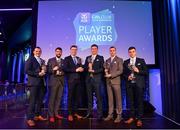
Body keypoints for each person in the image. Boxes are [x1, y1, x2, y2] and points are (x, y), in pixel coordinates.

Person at [123, 46, 148, 127]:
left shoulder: (141, 60)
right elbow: (123, 73)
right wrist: (127, 77)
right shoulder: (126, 62)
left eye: (133, 51)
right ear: (128, 53)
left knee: (139, 101)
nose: (131, 53)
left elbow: (146, 72)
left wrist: (138, 71)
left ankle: (139, 119)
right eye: (130, 52)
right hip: (130, 84)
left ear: (135, 52)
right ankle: (131, 117)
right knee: (131, 102)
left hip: (139, 84)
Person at [25, 47, 47, 127]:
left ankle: (37, 115)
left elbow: (43, 70)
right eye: (36, 51)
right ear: (34, 52)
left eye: (39, 51)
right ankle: (29, 119)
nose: (38, 52)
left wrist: (44, 71)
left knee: (40, 101)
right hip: (34, 84)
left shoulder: (42, 60)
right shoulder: (30, 59)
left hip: (41, 83)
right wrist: (38, 74)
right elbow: (26, 70)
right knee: (32, 102)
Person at [84, 44, 104, 120]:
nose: (94, 50)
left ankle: (100, 114)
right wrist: (87, 67)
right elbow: (85, 68)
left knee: (98, 97)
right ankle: (89, 113)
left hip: (97, 80)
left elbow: (102, 69)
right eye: (92, 49)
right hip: (88, 80)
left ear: (97, 50)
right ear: (91, 50)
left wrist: (94, 71)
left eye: (95, 49)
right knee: (89, 98)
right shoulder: (87, 58)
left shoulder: (100, 58)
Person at [64, 45, 84, 121]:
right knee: (70, 97)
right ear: (70, 50)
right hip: (71, 81)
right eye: (73, 49)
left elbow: (81, 67)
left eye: (75, 50)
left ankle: (75, 112)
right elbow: (65, 69)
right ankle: (69, 114)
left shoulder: (79, 59)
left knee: (77, 97)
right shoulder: (67, 58)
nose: (74, 51)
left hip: (78, 81)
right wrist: (76, 70)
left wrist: (82, 68)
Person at [104, 46, 123, 123]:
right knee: (110, 100)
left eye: (113, 50)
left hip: (116, 82)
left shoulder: (119, 59)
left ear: (115, 51)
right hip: (108, 82)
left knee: (118, 99)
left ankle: (119, 116)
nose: (112, 52)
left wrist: (111, 75)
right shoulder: (107, 60)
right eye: (110, 51)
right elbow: (106, 70)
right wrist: (105, 71)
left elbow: (120, 71)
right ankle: (110, 114)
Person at [47, 47, 64, 123]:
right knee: (52, 99)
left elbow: (65, 70)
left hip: (61, 82)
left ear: (61, 53)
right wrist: (53, 70)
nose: (58, 53)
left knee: (59, 98)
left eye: (60, 52)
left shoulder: (63, 61)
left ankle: (56, 113)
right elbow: (48, 70)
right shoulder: (51, 60)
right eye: (57, 51)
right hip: (53, 82)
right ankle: (51, 115)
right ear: (55, 52)